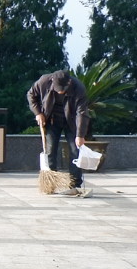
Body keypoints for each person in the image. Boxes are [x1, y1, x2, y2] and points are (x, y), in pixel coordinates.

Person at [27, 68, 91, 196]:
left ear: (69, 83)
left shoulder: (78, 88)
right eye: (58, 88)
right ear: (52, 81)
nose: (60, 91)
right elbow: (31, 95)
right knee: (50, 150)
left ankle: (75, 184)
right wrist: (38, 113)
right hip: (51, 120)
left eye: (63, 88)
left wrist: (80, 135)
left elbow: (82, 113)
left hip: (71, 122)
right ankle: (50, 183)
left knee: (75, 151)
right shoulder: (43, 81)